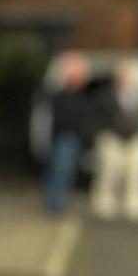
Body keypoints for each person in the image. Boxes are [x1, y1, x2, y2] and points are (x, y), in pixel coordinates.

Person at [91, 61, 138, 220]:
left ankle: (135, 207)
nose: (125, 79)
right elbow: (97, 117)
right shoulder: (105, 95)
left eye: (128, 75)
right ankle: (104, 206)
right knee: (108, 174)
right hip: (112, 138)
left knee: (137, 175)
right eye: (122, 75)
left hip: (135, 139)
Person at [44, 51, 93, 215]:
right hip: (65, 138)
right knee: (60, 172)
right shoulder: (62, 96)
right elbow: (65, 118)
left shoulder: (78, 95)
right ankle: (54, 205)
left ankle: (58, 204)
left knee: (66, 173)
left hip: (72, 138)